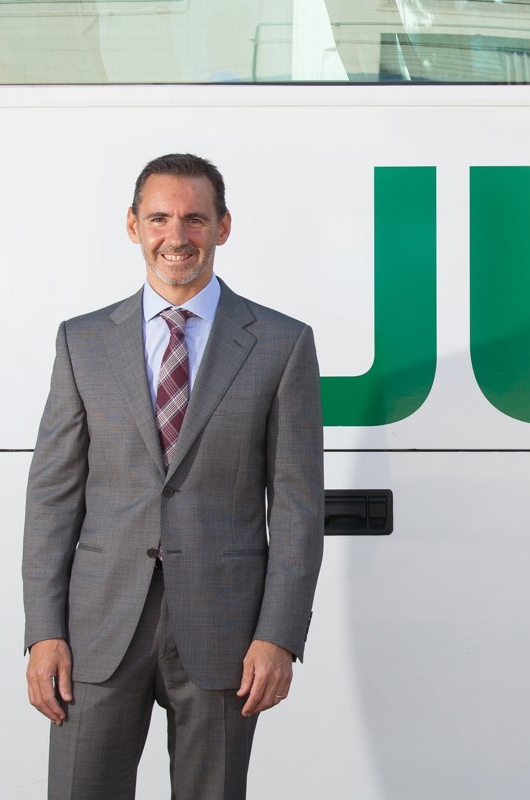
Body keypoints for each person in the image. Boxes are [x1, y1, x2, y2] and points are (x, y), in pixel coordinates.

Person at [22, 153, 325, 799]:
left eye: (195, 219)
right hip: (97, 628)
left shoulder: (282, 343)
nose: (176, 236)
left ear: (223, 226)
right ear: (133, 226)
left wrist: (279, 635)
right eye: (159, 218)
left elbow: (297, 506)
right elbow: (52, 497)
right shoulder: (82, 342)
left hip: (226, 630)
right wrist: (44, 631)